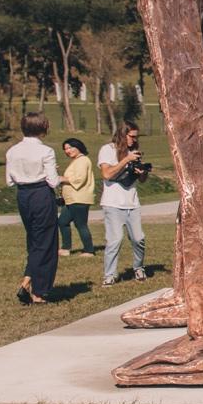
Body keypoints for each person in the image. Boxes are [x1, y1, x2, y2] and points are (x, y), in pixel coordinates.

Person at [5, 111, 61, 305]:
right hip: (41, 194)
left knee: (34, 239)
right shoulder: (46, 151)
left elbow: (9, 181)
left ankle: (31, 280)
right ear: (43, 128)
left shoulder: (12, 151)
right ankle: (35, 287)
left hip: (23, 195)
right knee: (46, 241)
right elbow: (53, 181)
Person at [97, 122, 150, 286]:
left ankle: (138, 267)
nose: (134, 140)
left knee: (139, 238)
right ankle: (110, 274)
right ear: (122, 134)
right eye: (131, 136)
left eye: (136, 137)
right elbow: (106, 174)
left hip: (132, 202)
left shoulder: (134, 152)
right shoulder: (108, 150)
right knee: (115, 240)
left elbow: (141, 180)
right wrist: (126, 160)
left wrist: (142, 172)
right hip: (112, 203)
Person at [56, 136, 97, 257]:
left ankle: (89, 250)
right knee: (62, 222)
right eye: (65, 149)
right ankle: (65, 248)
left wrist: (60, 178)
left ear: (78, 147)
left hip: (79, 198)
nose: (68, 150)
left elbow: (79, 179)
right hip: (71, 199)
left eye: (70, 147)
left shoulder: (83, 160)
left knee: (80, 224)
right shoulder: (76, 161)